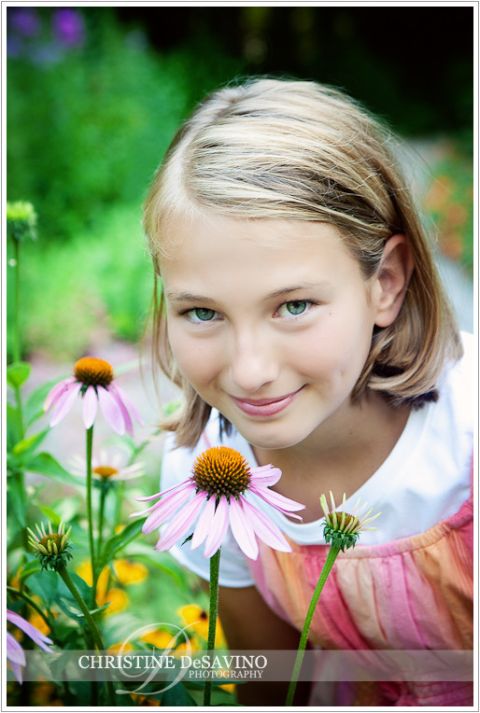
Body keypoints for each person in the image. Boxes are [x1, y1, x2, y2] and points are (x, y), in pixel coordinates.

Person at [142, 78, 473, 706]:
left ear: (387, 283)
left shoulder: (465, 442)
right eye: (202, 313)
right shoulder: (205, 479)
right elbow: (271, 685)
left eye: (293, 305)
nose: (249, 371)